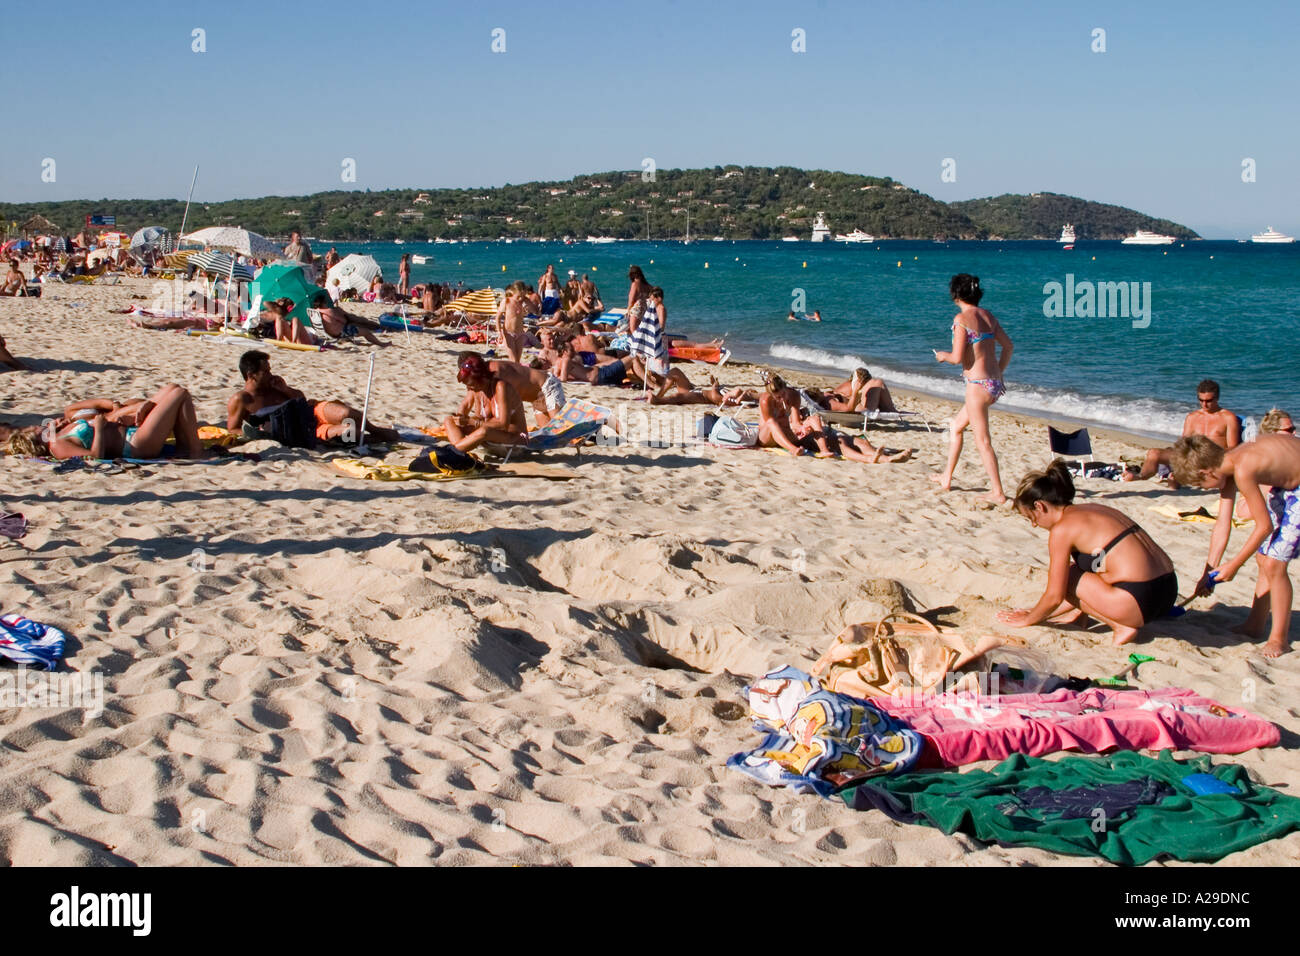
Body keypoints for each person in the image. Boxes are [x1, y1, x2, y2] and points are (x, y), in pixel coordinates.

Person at [996, 461, 1178, 645]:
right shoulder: (1093, 509)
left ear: (1040, 506)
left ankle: (1120, 626)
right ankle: (1082, 616)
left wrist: (1028, 619)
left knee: (1069, 573)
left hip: (1140, 600)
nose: (1034, 525)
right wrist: (1036, 612)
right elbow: (1083, 585)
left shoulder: (1062, 529)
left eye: (1031, 518)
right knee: (1084, 570)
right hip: (1168, 590)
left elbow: (1055, 595)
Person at [1172, 432, 1300, 657]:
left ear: (1206, 472)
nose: (1206, 490)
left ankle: (1279, 638)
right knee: (1263, 558)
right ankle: (1255, 625)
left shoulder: (1242, 468)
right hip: (1287, 484)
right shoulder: (1227, 465)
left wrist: (1235, 565)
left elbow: (1264, 527)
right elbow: (1222, 525)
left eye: (1202, 486)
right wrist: (1208, 573)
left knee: (1274, 564)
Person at [930, 273, 1014, 503]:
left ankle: (997, 492)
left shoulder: (961, 319)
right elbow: (1008, 347)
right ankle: (946, 478)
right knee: (956, 427)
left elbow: (957, 357)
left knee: (983, 441)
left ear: (955, 294)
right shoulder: (989, 316)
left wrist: (941, 357)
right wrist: (999, 371)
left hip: (977, 386)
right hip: (994, 384)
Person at [227, 350, 399, 445]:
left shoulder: (274, 385)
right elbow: (232, 428)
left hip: (312, 412)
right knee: (350, 433)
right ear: (251, 375)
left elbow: (301, 398)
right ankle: (372, 438)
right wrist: (258, 434)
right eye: (265, 371)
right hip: (302, 430)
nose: (270, 373)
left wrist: (286, 389)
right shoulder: (242, 399)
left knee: (346, 413)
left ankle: (376, 430)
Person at [6, 384, 206, 460]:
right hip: (134, 444)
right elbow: (95, 456)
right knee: (180, 394)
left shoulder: (60, 431)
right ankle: (196, 451)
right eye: (37, 430)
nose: (41, 426)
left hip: (130, 431)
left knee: (173, 388)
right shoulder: (58, 446)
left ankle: (183, 447)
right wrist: (100, 429)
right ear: (37, 441)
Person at [1125, 380, 1240, 485]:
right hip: (1191, 458)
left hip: (1213, 460)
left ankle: (1175, 478)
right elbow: (1183, 443)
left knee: (1175, 481)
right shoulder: (1192, 417)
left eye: (1209, 401)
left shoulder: (1228, 418)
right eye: (1201, 400)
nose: (1204, 404)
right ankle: (1140, 476)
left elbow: (1233, 448)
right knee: (1154, 453)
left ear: (1217, 398)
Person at [444, 353, 529, 453]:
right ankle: (460, 452)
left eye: (471, 385)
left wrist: (471, 422)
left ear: (483, 379)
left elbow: (503, 424)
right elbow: (466, 408)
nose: (469, 388)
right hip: (490, 436)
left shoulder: (500, 387)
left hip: (515, 438)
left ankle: (452, 452)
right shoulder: (477, 389)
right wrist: (460, 418)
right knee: (449, 420)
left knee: (484, 431)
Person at [495, 281, 530, 363]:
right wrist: (499, 332)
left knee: (517, 360)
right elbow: (498, 318)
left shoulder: (523, 302)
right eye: (518, 296)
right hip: (508, 333)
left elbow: (536, 311)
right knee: (513, 360)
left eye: (522, 296)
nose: (520, 298)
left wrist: (527, 309)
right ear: (513, 293)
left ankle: (514, 375)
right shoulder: (506, 301)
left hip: (520, 333)